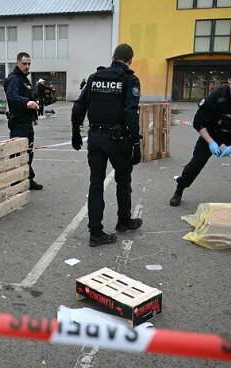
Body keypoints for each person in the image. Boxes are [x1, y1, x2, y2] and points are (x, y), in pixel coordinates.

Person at [169, 70, 231, 218]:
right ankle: (179, 190)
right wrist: (211, 142)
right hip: (212, 134)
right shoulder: (217, 97)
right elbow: (198, 122)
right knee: (195, 164)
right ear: (229, 84)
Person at [71, 43, 143, 247]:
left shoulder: (95, 77)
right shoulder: (129, 79)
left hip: (95, 137)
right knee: (123, 180)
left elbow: (78, 107)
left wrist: (75, 131)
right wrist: (136, 142)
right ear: (130, 60)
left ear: (113, 57)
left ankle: (96, 232)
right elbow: (131, 112)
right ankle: (123, 220)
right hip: (118, 140)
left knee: (96, 184)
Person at [4, 51, 43, 190]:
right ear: (17, 63)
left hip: (27, 122)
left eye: (29, 64)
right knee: (18, 154)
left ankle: (27, 178)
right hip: (18, 124)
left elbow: (30, 95)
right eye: (24, 63)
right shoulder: (14, 79)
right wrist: (27, 102)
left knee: (28, 152)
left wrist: (34, 116)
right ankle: (15, 183)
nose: (27, 66)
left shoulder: (24, 79)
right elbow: (12, 97)